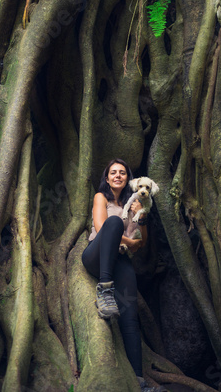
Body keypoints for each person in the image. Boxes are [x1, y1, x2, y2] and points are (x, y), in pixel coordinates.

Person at [82, 159, 165, 392]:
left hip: (121, 260)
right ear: (107, 178)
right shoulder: (101, 197)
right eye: (113, 173)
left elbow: (143, 242)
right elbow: (102, 228)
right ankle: (105, 289)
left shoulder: (137, 202)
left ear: (129, 179)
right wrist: (130, 241)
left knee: (130, 317)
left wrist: (142, 217)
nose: (118, 176)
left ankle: (138, 381)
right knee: (114, 223)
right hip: (96, 256)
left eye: (122, 173)